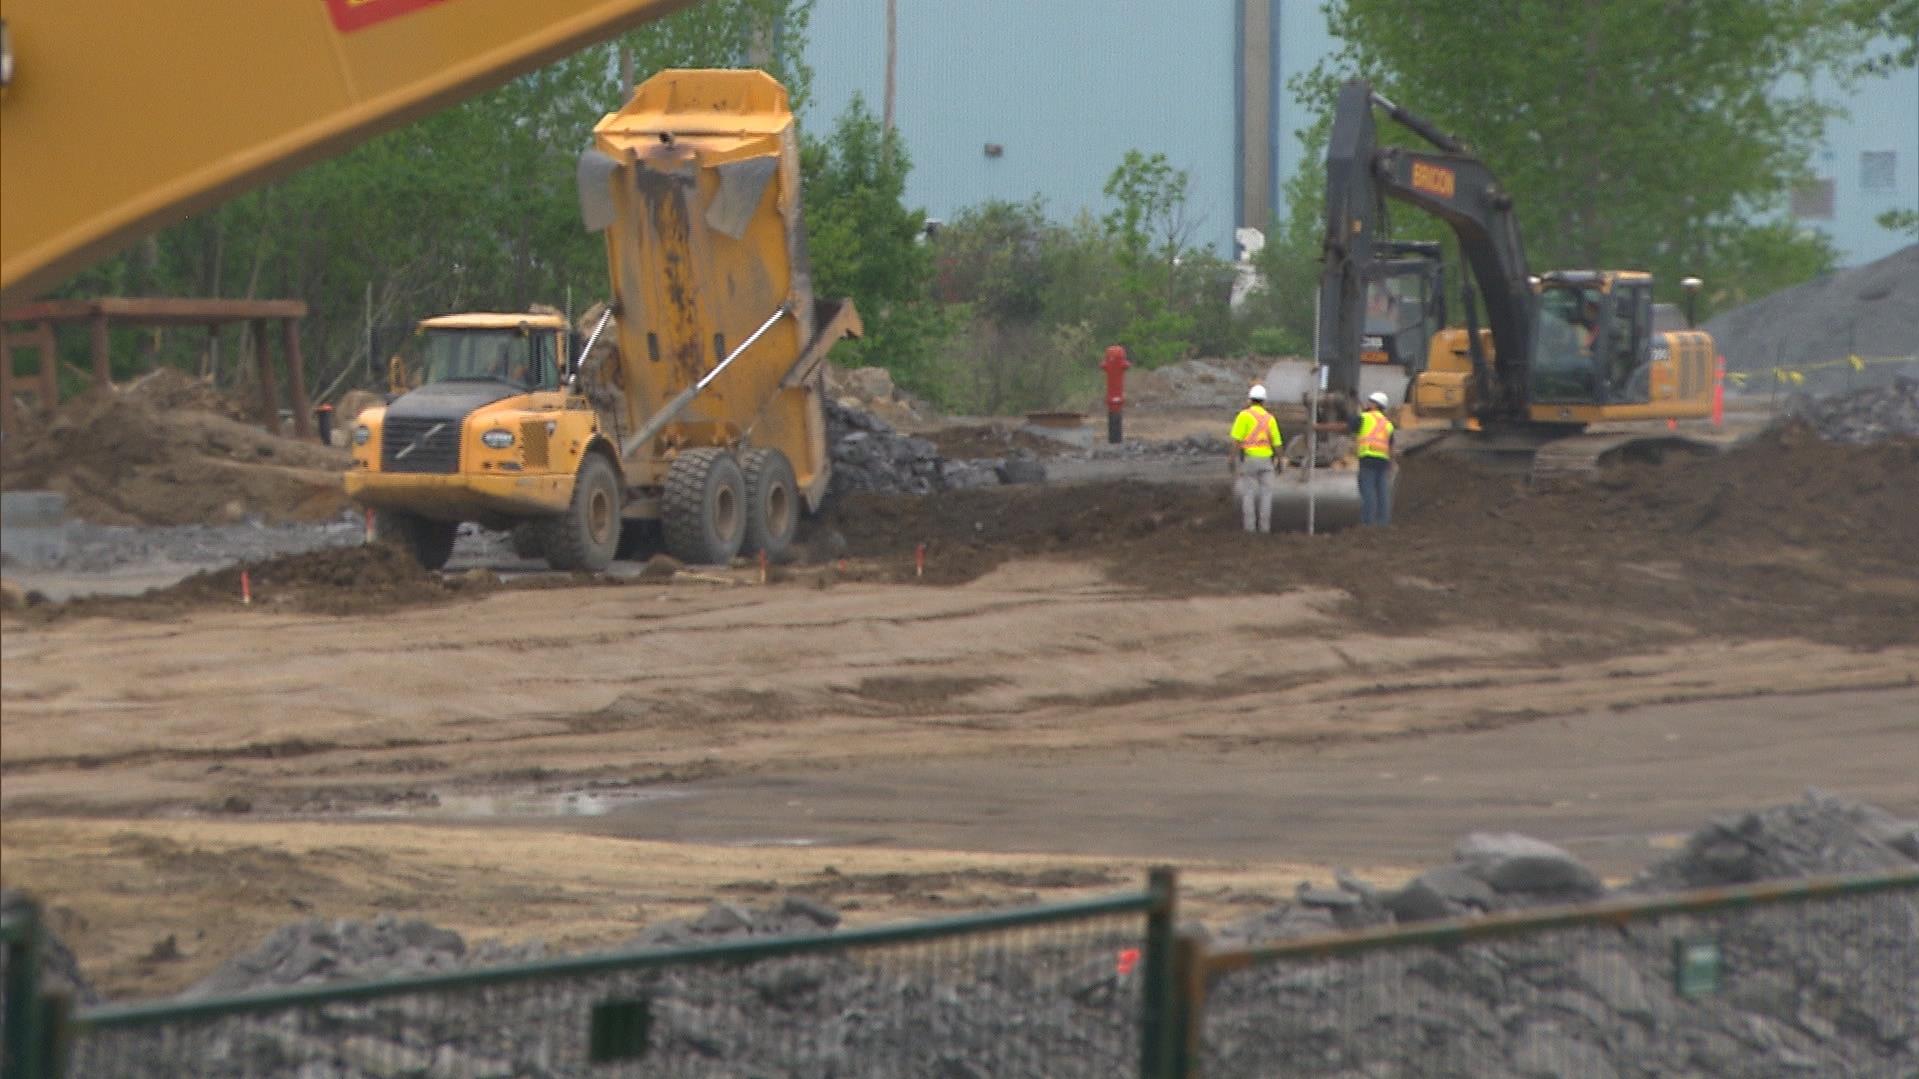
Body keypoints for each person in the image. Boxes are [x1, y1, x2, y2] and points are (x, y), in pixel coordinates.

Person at [1230, 384, 1283, 533]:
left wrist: (1231, 459)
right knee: (1266, 495)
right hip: (1267, 461)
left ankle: (1250, 528)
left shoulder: (1243, 416)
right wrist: (1280, 461)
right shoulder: (1270, 419)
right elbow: (1277, 443)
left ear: (1249, 400)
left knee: (1248, 495)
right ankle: (1265, 528)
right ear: (1264, 401)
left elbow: (1236, 441)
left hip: (1249, 460)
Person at [1351, 391, 1395, 526]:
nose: (1368, 403)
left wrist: (1317, 427)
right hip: (1383, 460)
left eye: (1370, 401)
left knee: (1367, 490)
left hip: (1368, 458)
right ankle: (1383, 522)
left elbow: (1349, 427)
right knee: (1382, 491)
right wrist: (1391, 463)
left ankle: (1367, 522)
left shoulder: (1364, 417)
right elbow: (1391, 444)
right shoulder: (1388, 424)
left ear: (1375, 405)